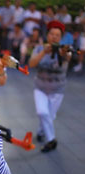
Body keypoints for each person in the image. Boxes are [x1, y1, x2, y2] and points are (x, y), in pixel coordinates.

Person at [29, 20, 71, 152]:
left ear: (61, 37)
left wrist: (63, 52)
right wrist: (43, 53)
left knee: (49, 117)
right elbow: (31, 64)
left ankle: (41, 132)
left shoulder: (64, 50)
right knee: (42, 112)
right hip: (40, 87)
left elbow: (68, 56)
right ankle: (51, 140)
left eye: (57, 35)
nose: (54, 37)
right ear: (47, 35)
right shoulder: (39, 48)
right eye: (52, 34)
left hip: (57, 90)